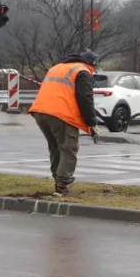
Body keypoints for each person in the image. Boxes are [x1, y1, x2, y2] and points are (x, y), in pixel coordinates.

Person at [29, 49, 100, 196]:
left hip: (40, 112)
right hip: (60, 114)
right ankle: (62, 185)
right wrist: (92, 123)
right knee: (68, 148)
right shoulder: (82, 71)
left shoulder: (57, 67)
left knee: (55, 147)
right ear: (91, 64)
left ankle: (58, 179)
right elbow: (85, 99)